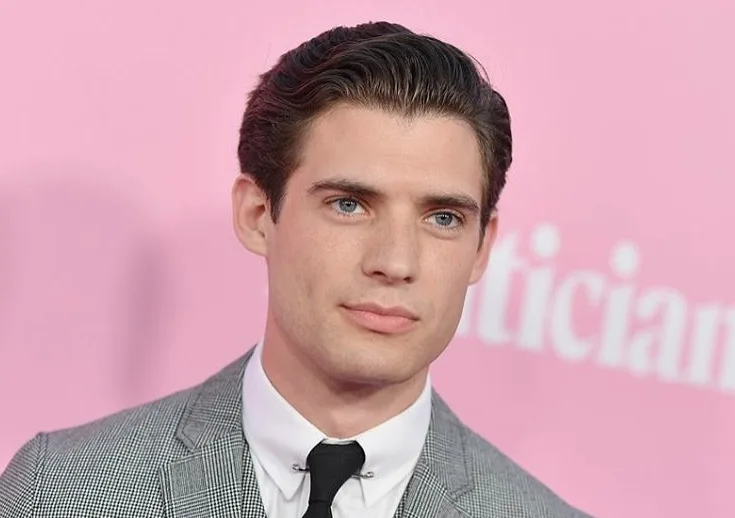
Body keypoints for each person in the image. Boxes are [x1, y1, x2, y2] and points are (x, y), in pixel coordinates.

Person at [0, 21, 591, 518]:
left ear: (482, 247)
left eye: (442, 218)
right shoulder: (63, 492)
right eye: (349, 205)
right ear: (258, 214)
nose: (395, 262)